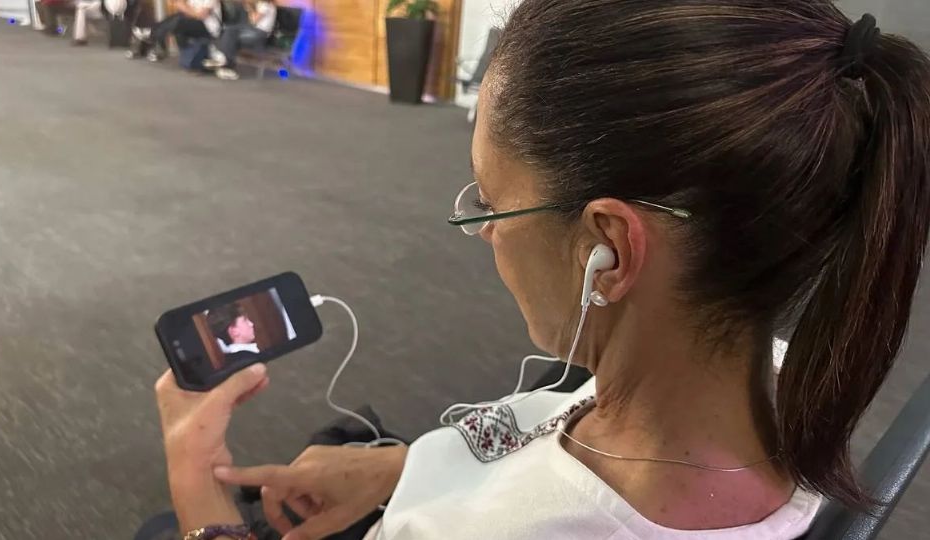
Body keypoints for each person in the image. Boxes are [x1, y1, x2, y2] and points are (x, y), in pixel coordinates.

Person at [149, 1, 930, 539]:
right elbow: (547, 430)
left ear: (611, 250)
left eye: (491, 204)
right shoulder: (780, 377)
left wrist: (198, 488)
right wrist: (397, 469)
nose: (484, 234)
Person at [204, 0, 276, 80]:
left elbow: (254, 21)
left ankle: (226, 63)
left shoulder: (265, 5)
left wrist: (250, 8)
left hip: (260, 34)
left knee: (231, 36)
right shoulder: (259, 4)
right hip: (251, 30)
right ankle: (225, 62)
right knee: (229, 31)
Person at [135, 0, 221, 62]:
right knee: (177, 17)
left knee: (179, 21)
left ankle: (152, 36)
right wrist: (187, 9)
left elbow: (201, 15)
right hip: (197, 22)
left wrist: (187, 9)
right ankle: (153, 35)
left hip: (209, 27)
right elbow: (187, 10)